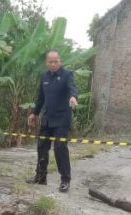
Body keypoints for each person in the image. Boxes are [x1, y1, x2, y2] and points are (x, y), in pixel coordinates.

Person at [27, 49, 78, 193]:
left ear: (60, 61)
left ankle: (65, 180)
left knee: (60, 148)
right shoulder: (44, 76)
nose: (54, 64)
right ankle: (40, 177)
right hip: (47, 118)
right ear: (47, 63)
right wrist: (34, 113)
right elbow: (41, 98)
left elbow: (72, 88)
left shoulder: (67, 75)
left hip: (62, 118)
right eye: (51, 62)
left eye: (56, 61)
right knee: (41, 147)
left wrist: (73, 97)